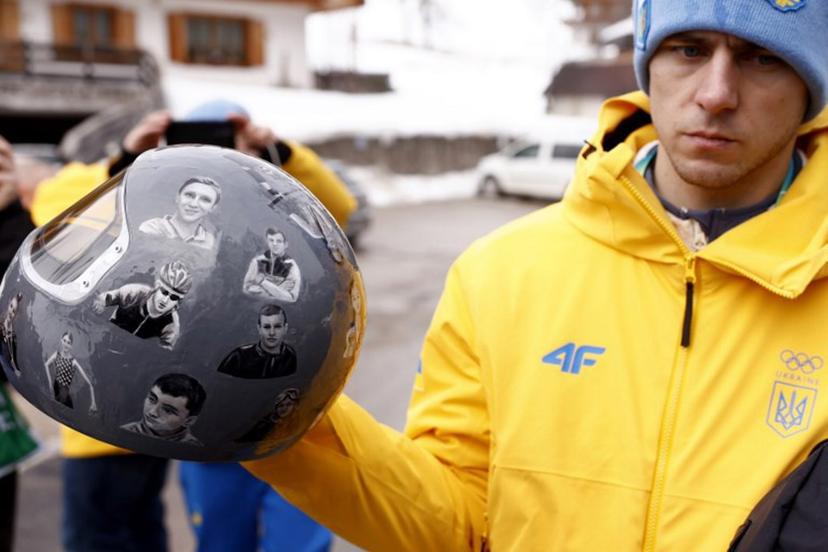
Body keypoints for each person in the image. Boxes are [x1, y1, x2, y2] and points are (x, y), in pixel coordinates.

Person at [242, 2, 828, 550]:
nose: (717, 93)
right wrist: (266, 406)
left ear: (810, 87)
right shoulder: (501, 271)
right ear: (650, 62)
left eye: (764, 57)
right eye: (690, 50)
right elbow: (456, 518)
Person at [36, 100, 350, 552]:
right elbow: (65, 212)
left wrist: (277, 152)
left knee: (298, 539)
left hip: (293, 410)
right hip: (206, 407)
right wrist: (129, 158)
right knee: (220, 537)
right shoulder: (154, 199)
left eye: (230, 138)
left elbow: (339, 208)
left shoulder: (276, 206)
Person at [91, 260, 193, 350]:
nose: (166, 300)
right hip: (106, 341)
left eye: (173, 297)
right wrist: (100, 303)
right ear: (157, 287)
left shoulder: (171, 326)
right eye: (164, 292)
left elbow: (164, 353)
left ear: (178, 302)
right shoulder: (134, 293)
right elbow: (105, 297)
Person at [138, 176, 221, 250]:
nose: (193, 204)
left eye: (205, 200)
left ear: (212, 208)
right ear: (177, 197)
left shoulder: (209, 241)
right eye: (189, 195)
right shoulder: (152, 227)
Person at [121, 373, 206, 446]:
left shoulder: (192, 448)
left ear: (189, 421)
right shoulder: (124, 433)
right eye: (152, 399)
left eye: (167, 410)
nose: (152, 412)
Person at [217, 304, 297, 379]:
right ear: (259, 328)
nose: (272, 333)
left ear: (285, 328)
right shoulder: (238, 357)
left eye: (277, 327)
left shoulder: (290, 356)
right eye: (266, 327)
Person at [44, 331, 98, 413]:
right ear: (61, 340)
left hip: (65, 396)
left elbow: (90, 385)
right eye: (64, 341)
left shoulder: (73, 362)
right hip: (54, 391)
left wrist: (93, 402)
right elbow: (46, 365)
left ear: (71, 346)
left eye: (68, 343)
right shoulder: (56, 354)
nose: (66, 344)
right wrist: (49, 382)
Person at [242, 227, 301, 302]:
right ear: (267, 241)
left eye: (279, 241)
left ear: (285, 244)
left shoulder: (292, 266)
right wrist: (279, 289)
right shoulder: (257, 261)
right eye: (271, 240)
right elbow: (246, 289)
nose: (274, 244)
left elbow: (292, 298)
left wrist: (262, 282)